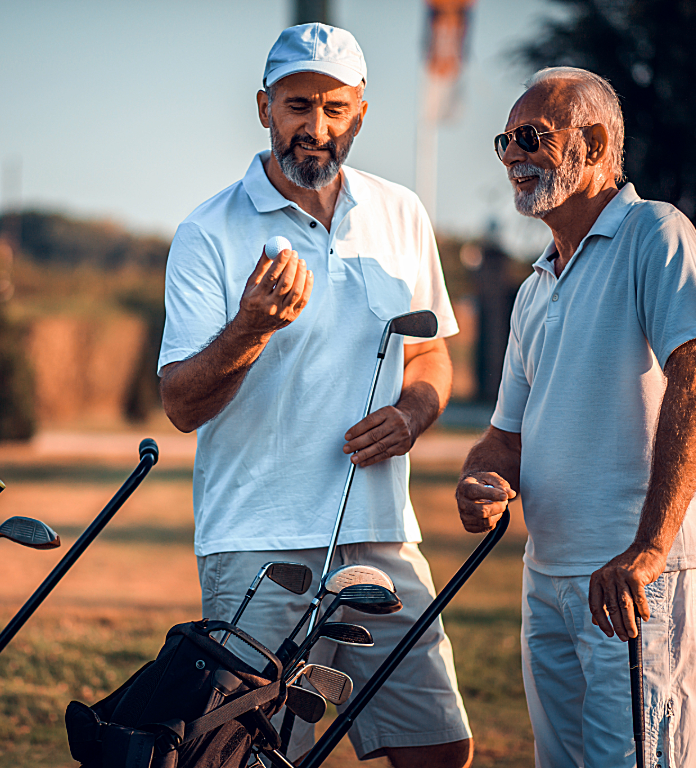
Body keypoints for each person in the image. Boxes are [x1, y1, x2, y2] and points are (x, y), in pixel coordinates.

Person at [158, 23, 472, 767]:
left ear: (360, 111)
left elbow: (429, 355)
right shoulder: (208, 232)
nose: (316, 127)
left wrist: (412, 413)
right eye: (298, 105)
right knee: (241, 756)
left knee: (439, 747)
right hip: (256, 542)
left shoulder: (402, 214)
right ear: (264, 106)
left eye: (335, 109)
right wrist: (248, 328)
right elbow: (180, 404)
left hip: (380, 532)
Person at [456, 66, 696, 767]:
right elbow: (505, 439)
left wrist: (649, 551)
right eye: (505, 142)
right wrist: (480, 482)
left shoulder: (655, 232)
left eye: (532, 137)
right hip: (548, 582)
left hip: (630, 582)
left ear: (592, 144)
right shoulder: (535, 286)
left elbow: (692, 375)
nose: (513, 158)